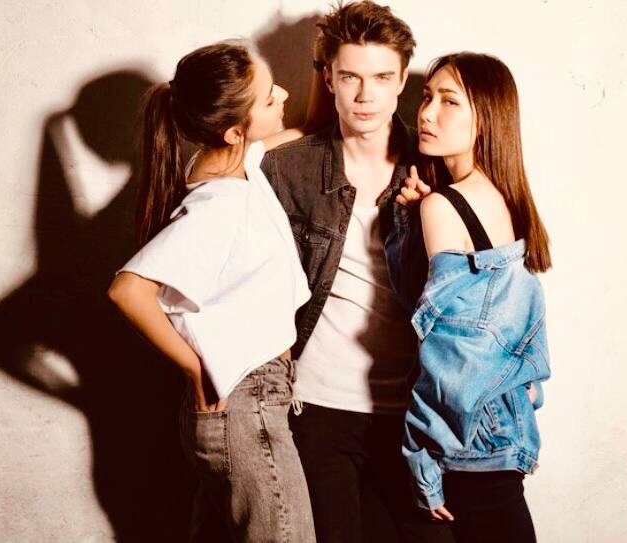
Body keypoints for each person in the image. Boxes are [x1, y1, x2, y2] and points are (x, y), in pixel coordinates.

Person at [107, 40, 317, 542]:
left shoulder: (232, 161)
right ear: (234, 131)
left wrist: (325, 55)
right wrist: (195, 367)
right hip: (245, 406)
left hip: (249, 404)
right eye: (269, 97)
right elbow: (127, 290)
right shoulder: (219, 206)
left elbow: (310, 126)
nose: (284, 95)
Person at [260, 2, 450, 541]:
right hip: (318, 407)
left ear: (403, 81)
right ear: (329, 79)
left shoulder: (436, 168)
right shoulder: (287, 167)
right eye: (350, 77)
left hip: (416, 414)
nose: (366, 95)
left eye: (382, 78)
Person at [400, 52, 552, 543]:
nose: (426, 113)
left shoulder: (444, 205)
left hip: (466, 442)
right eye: (427, 97)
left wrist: (420, 456)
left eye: (449, 102)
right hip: (506, 426)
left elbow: (447, 357)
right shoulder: (506, 199)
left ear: (485, 117)